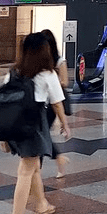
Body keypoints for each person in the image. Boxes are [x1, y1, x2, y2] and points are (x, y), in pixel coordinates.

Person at [4, 32, 69, 214]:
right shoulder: (47, 74)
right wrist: (65, 124)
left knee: (33, 168)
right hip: (33, 124)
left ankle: (42, 204)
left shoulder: (14, 72)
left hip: (13, 124)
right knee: (25, 171)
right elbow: (57, 102)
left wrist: (4, 135)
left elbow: (3, 101)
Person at [40, 29, 70, 177]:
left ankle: (56, 159)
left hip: (51, 103)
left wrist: (51, 80)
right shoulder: (37, 61)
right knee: (40, 134)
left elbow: (64, 82)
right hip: (39, 102)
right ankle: (57, 159)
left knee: (40, 134)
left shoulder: (59, 61)